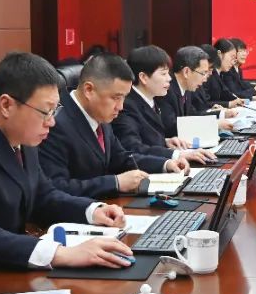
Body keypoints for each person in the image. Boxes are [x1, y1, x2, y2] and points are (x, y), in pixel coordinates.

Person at [0, 52, 134, 271]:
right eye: (45, 112)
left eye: (54, 111)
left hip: (15, 264)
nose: (52, 122)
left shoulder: (23, 135)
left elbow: (43, 196)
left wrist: (92, 211)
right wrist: (60, 253)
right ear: (6, 105)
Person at [39, 53, 190, 199]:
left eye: (124, 97)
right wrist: (115, 183)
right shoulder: (54, 123)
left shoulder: (99, 114)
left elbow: (121, 158)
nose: (120, 106)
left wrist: (165, 164)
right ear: (89, 90)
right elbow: (57, 187)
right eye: (116, 98)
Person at [112, 45, 216, 163]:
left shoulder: (150, 100)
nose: (169, 78)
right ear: (143, 77)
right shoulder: (127, 106)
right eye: (163, 74)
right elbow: (133, 148)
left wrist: (165, 141)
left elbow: (149, 139)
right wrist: (176, 154)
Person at [195, 43, 243, 112]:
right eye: (232, 57)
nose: (233, 62)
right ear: (220, 54)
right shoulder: (207, 77)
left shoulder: (218, 73)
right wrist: (227, 105)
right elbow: (200, 106)